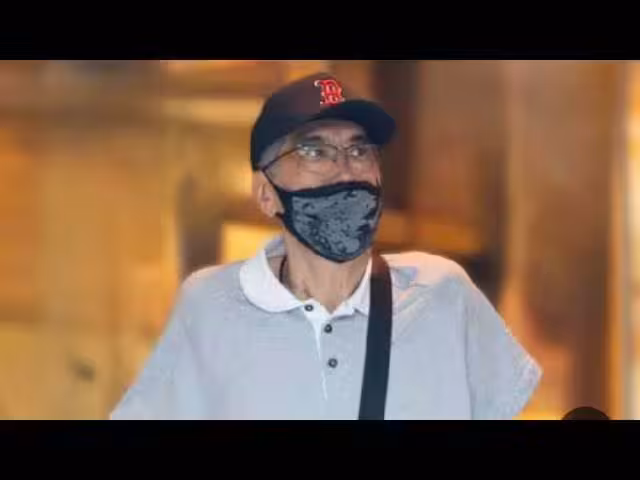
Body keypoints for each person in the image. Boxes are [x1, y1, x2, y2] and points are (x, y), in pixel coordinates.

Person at [110, 72, 542, 420]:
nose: (346, 170)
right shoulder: (212, 305)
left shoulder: (442, 293)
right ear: (266, 193)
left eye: (359, 150)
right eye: (315, 152)